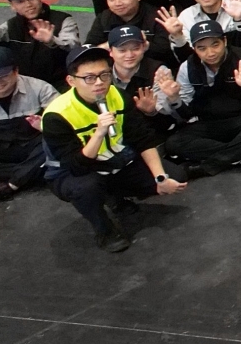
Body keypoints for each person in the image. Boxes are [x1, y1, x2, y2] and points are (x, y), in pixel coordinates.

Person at [41, 45, 186, 252]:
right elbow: (75, 165)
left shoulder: (118, 96)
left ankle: (114, 196)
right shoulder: (56, 115)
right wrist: (99, 133)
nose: (99, 83)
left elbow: (143, 139)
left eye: (104, 75)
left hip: (114, 161)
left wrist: (160, 178)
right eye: (89, 78)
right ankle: (104, 230)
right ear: (71, 81)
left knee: (175, 175)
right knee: (87, 188)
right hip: (74, 172)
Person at [161, 19, 241, 177]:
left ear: (224, 41)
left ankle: (210, 165)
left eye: (215, 45)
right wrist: (174, 99)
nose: (210, 53)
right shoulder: (187, 67)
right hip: (209, 123)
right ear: (194, 48)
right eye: (202, 48)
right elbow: (185, 114)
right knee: (173, 143)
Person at [0, 46, 55, 202]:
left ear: (16, 71)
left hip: (34, 148)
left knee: (55, 142)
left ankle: (12, 184)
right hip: (0, 152)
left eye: (3, 76)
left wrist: (45, 127)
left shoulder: (40, 88)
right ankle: (31, 174)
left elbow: (67, 124)